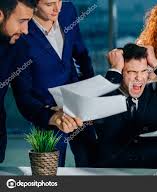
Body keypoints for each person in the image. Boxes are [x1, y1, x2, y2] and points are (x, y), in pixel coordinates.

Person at [11, 0, 96, 167]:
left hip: (78, 103)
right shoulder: (20, 31)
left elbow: (81, 54)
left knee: (92, 161)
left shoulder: (68, 10)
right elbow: (23, 95)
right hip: (48, 113)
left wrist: (89, 93)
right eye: (49, 4)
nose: (57, 8)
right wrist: (50, 115)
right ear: (33, 4)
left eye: (59, 0)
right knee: (51, 171)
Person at [94, 43, 157, 168]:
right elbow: (100, 117)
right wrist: (114, 70)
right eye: (132, 72)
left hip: (152, 174)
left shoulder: (155, 93)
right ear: (120, 72)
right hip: (115, 174)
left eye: (144, 71)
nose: (139, 78)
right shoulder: (106, 96)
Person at [0, 0, 36, 163]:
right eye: (22, 21)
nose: (26, 30)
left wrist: (53, 117)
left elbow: (25, 97)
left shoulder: (18, 46)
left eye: (28, 21)